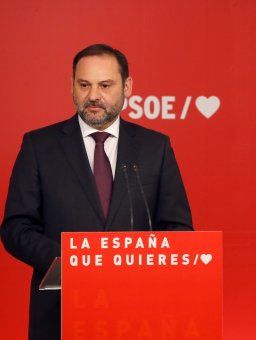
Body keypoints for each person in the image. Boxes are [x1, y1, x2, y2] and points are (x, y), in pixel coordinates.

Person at [1, 44, 193, 340]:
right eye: (84, 85)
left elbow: (178, 229)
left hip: (138, 311)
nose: (93, 96)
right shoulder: (39, 146)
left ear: (127, 86)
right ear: (72, 86)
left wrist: (135, 265)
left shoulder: (156, 148)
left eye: (105, 85)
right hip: (59, 312)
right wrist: (74, 262)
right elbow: (16, 228)